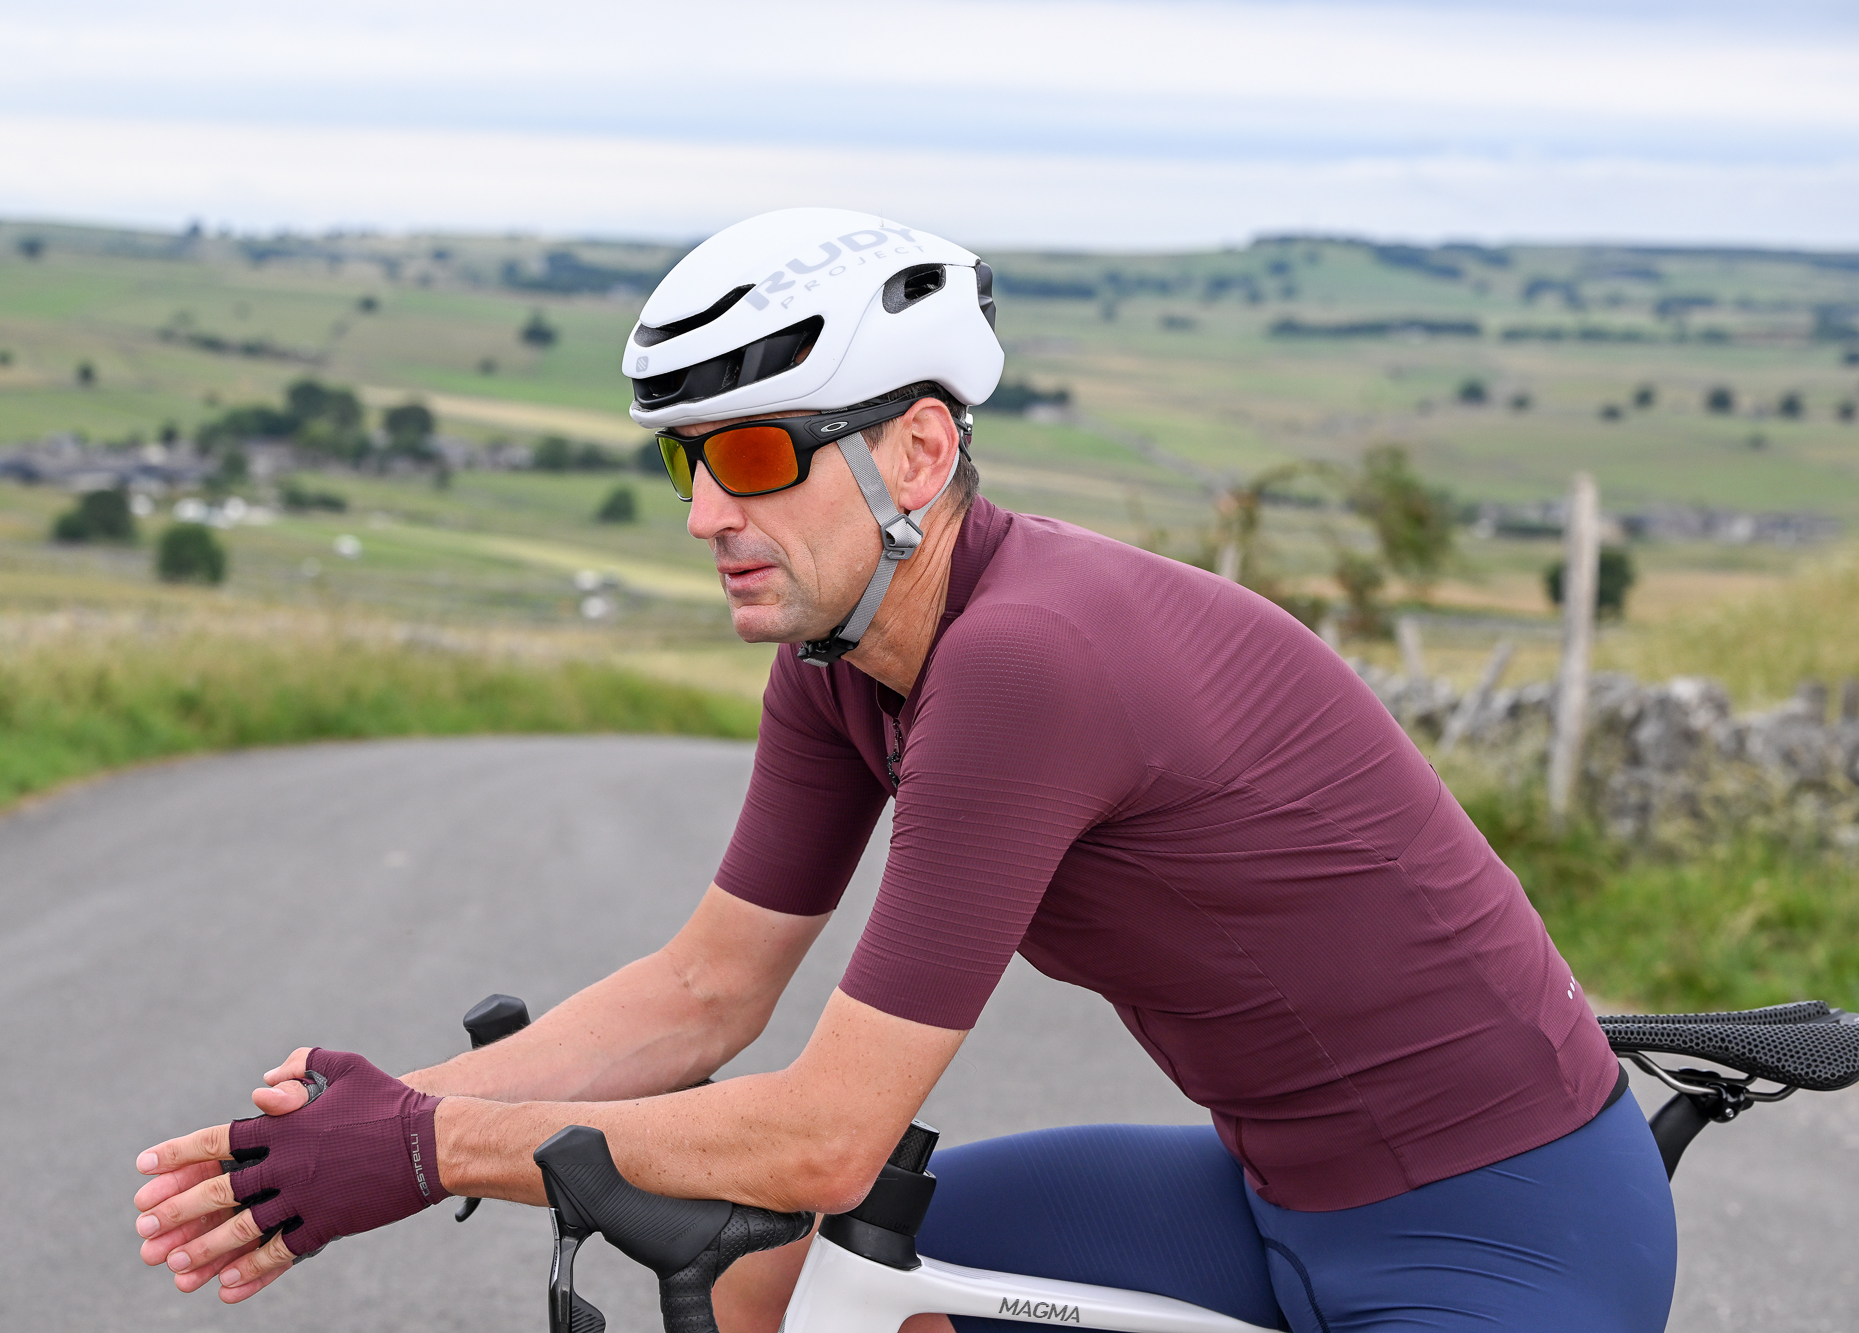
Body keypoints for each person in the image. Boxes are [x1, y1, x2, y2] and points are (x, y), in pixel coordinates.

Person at [133, 208, 1676, 1332]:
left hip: (1509, 1236)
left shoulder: (1030, 660)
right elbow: (703, 994)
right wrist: (360, 1117)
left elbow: (825, 1131)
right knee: (774, 1270)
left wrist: (419, 1147)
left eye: (752, 457)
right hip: (1270, 1194)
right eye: (687, 459)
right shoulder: (844, 663)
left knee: (803, 1202)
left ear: (919, 456)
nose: (702, 515)